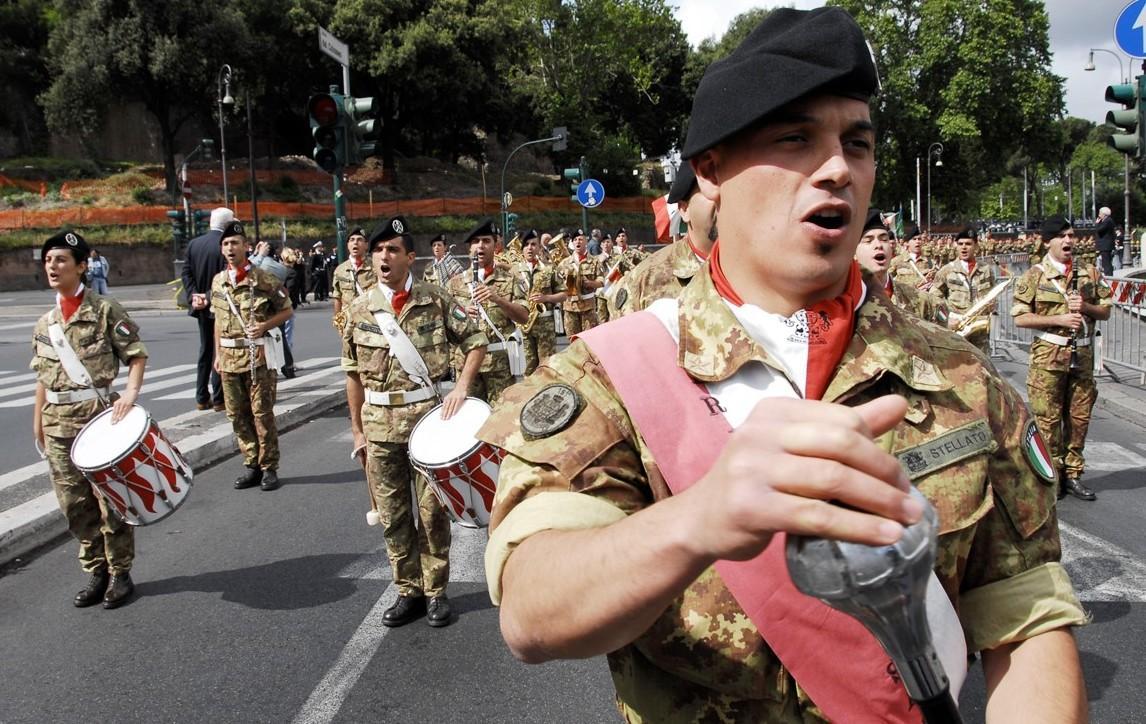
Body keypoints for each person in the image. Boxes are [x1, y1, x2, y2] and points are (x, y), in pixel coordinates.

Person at [477, 8, 1087, 721]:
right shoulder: (609, 377)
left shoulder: (965, 382)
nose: (837, 169)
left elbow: (1028, 621)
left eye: (856, 144)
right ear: (711, 171)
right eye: (796, 139)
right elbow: (532, 611)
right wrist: (698, 519)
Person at [342, 216, 487, 628]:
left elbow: (475, 340)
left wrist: (461, 387)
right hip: (379, 427)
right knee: (393, 514)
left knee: (432, 514)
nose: (383, 257)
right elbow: (351, 372)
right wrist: (356, 430)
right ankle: (408, 590)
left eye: (392, 249)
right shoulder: (359, 309)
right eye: (378, 250)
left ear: (410, 257)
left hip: (428, 425)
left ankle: (437, 591)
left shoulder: (434, 298)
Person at [31, 230, 148, 609]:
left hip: (99, 421)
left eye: (62, 259)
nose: (53, 265)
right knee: (73, 504)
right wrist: (38, 424)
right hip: (57, 424)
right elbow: (41, 377)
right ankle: (95, 571)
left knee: (110, 501)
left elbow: (135, 354)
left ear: (82, 267)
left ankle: (120, 573)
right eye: (49, 260)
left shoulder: (104, 309)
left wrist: (130, 393)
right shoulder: (44, 323)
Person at [1013, 216, 1112, 501]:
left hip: (1081, 359)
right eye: (1062, 236)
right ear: (1047, 242)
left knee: (1079, 419)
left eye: (1071, 235)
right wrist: (1059, 318)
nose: (1069, 240)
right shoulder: (1034, 275)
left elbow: (1106, 309)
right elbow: (1020, 317)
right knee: (1048, 421)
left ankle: (1074, 475)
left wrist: (1087, 307)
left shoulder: (1089, 273)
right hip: (1048, 362)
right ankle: (1051, 477)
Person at [211, 222, 293, 492]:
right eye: (226, 244)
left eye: (235, 243)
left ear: (246, 247)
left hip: (257, 356)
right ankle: (251, 464)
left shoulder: (263, 278)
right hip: (229, 357)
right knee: (236, 414)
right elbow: (217, 321)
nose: (230, 248)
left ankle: (269, 466)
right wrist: (217, 355)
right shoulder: (219, 282)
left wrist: (265, 325)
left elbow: (286, 310)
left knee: (261, 413)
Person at [609, 163, 715, 317]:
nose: (726, 201)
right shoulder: (645, 281)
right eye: (710, 190)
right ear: (685, 209)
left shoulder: (759, 268)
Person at [447, 218, 529, 404]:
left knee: (500, 422)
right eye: (475, 242)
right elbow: (445, 326)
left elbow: (524, 317)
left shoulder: (510, 279)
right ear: (469, 248)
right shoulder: (455, 283)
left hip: (500, 366)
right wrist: (461, 313)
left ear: (496, 245)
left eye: (486, 241)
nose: (480, 246)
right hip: (467, 364)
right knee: (470, 420)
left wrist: (498, 299)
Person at [856, 209, 947, 325]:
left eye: (884, 239)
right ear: (854, 251)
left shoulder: (918, 300)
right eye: (868, 241)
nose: (878, 245)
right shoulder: (844, 301)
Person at [182, 207, 232, 411]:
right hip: (220, 304)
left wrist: (195, 295)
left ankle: (201, 396)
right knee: (220, 348)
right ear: (227, 225)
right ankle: (219, 397)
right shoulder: (226, 245)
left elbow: (186, 273)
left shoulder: (194, 244)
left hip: (200, 305)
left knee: (205, 350)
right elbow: (226, 276)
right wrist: (210, 297)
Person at [932, 227, 996, 354]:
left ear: (976, 246)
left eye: (968, 244)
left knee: (982, 369)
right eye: (960, 244)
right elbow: (934, 300)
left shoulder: (986, 269)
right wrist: (945, 320)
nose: (964, 247)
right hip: (957, 329)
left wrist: (992, 308)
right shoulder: (946, 270)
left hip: (980, 331)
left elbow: (992, 294)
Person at [517, 230, 566, 374]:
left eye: (533, 244)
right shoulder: (515, 271)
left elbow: (564, 294)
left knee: (547, 366)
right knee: (528, 367)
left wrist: (546, 298)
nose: (530, 248)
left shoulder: (549, 269)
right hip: (524, 326)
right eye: (526, 245)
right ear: (522, 248)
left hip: (545, 325)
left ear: (539, 247)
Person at [250, 240, 296, 379]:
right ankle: (288, 367)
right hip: (276, 304)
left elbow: (248, 271)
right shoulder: (280, 267)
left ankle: (266, 369)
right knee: (279, 336)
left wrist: (257, 254)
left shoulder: (259, 264)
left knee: (260, 339)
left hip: (260, 305)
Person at [556, 230, 604, 334]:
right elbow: (557, 283)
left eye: (581, 239)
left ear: (586, 242)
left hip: (588, 308)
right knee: (573, 341)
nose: (578, 242)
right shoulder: (564, 263)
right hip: (570, 308)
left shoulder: (594, 261)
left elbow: (601, 281)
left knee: (589, 340)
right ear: (572, 243)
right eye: (575, 240)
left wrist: (591, 283)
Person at [331, 227, 378, 329]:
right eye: (352, 240)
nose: (355, 243)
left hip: (371, 324)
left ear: (366, 245)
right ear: (348, 245)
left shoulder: (376, 267)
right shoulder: (340, 270)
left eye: (359, 240)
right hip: (349, 325)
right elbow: (337, 297)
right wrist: (338, 321)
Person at [1095, 206, 1116, 277]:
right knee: (1106, 262)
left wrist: (1097, 223)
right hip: (1105, 245)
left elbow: (1099, 230)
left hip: (1106, 246)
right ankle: (1108, 275)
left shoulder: (1108, 221)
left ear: (1104, 214)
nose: (1099, 215)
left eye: (1100, 213)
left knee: (1106, 263)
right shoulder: (1105, 221)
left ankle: (1109, 276)